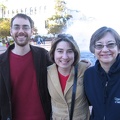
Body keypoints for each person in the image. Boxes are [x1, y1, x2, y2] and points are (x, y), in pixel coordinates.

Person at [0, 13, 52, 120]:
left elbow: (63, 67)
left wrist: (80, 64)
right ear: (11, 31)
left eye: (25, 27)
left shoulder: (44, 56)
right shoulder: (1, 62)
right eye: (16, 27)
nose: (21, 31)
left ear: (32, 31)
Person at [47, 34, 90, 120]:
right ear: (53, 52)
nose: (65, 56)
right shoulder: (47, 72)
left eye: (69, 51)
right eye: (60, 51)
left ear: (75, 53)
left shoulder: (85, 69)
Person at [84, 26, 120, 120]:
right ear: (93, 50)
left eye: (111, 44)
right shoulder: (89, 75)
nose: (104, 50)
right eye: (99, 45)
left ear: (119, 48)